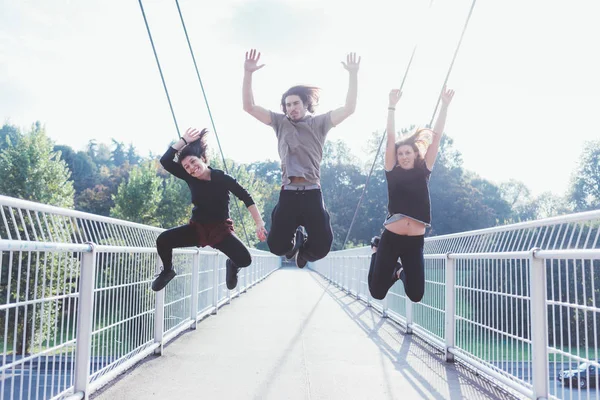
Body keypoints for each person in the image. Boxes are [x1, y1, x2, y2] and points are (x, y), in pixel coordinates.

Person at [242, 48, 360, 268]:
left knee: (324, 246)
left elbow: (349, 108)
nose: (291, 108)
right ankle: (293, 247)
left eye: (295, 103)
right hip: (288, 192)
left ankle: (304, 253)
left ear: (306, 104)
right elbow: (249, 107)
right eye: (287, 105)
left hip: (312, 192)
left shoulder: (319, 123)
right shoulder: (280, 122)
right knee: (276, 246)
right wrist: (248, 73)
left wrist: (353, 74)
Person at [152, 127, 267, 292]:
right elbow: (165, 161)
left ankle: (232, 265)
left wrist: (258, 223)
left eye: (193, 162)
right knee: (163, 240)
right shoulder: (188, 176)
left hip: (220, 231)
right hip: (197, 229)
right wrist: (183, 140)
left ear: (203, 158)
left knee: (245, 260)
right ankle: (168, 271)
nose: (191, 168)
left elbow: (245, 197)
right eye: (186, 167)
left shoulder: (221, 178)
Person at [368, 86, 454, 302]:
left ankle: (398, 272)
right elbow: (389, 138)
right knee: (377, 293)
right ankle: (375, 250)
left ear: (416, 154)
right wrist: (391, 107)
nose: (404, 156)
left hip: (415, 242)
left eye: (408, 153)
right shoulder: (392, 172)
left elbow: (436, 138)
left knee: (416, 295)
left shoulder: (424, 171)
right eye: (400, 153)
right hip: (391, 238)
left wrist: (444, 105)